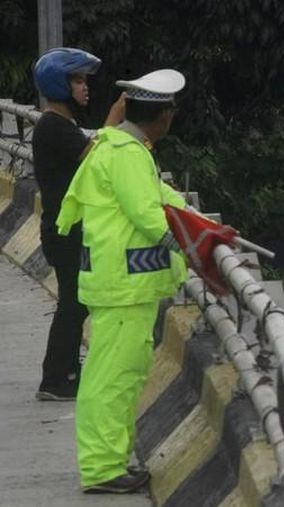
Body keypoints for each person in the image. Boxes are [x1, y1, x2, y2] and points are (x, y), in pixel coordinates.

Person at [56, 69, 189, 494]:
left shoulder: (117, 145)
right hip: (123, 287)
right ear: (164, 115)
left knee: (118, 376)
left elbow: (159, 198)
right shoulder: (128, 154)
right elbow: (147, 215)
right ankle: (102, 469)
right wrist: (194, 247)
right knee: (113, 379)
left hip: (120, 286)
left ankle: (109, 462)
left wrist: (197, 223)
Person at [32, 48, 126, 401]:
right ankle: (56, 378)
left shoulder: (60, 125)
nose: (84, 87)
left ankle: (63, 373)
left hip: (66, 229)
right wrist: (114, 120)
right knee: (73, 302)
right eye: (77, 80)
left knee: (76, 301)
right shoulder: (54, 126)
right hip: (64, 230)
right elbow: (96, 158)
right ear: (59, 83)